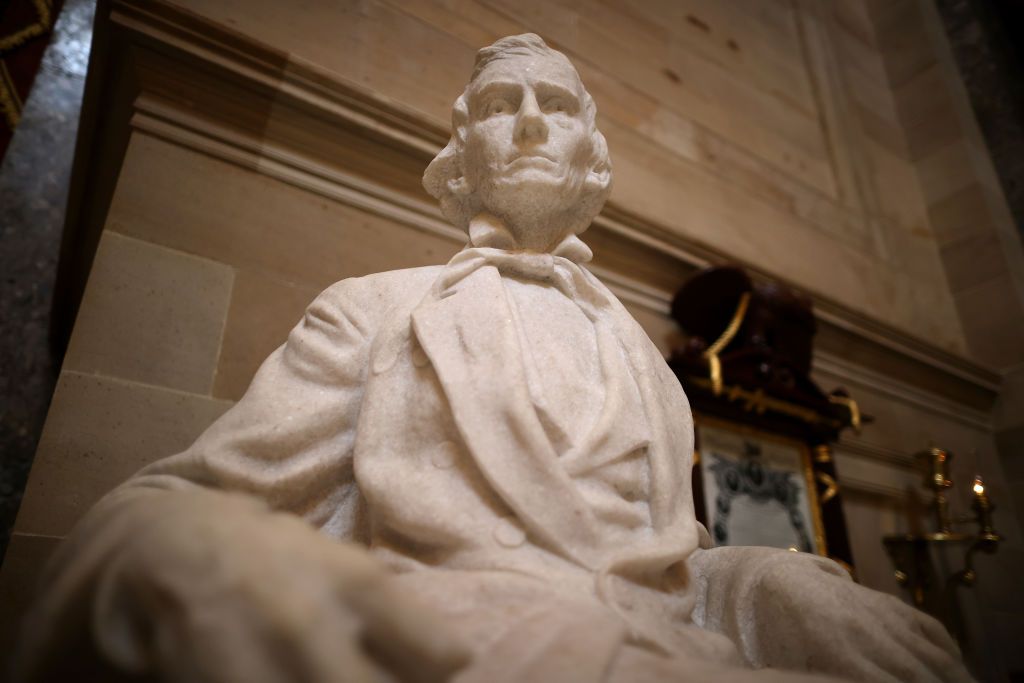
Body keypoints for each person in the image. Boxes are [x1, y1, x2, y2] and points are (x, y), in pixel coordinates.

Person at [17, 34, 970, 683]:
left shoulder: (646, 362)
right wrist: (256, 573)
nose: (526, 122)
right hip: (476, 654)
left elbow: (675, 573)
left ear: (593, 160)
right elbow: (160, 514)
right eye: (498, 105)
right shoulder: (374, 312)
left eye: (554, 106)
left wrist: (773, 585)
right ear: (461, 152)